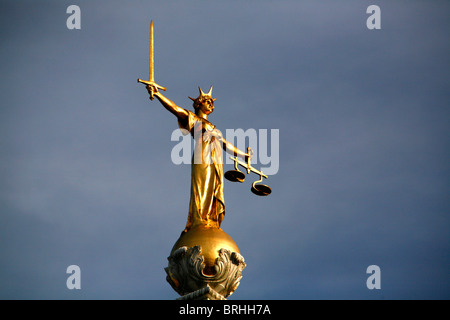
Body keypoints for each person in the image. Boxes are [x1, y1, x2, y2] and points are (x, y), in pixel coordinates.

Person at [146, 84, 250, 231]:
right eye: (208, 102)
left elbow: (226, 144)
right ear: (199, 103)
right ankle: (199, 220)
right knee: (202, 186)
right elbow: (175, 109)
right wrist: (157, 94)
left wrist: (244, 155)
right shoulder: (193, 118)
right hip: (203, 154)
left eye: (212, 103)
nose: (211, 105)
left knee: (214, 188)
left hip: (216, 159)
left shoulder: (214, 128)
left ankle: (210, 219)